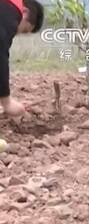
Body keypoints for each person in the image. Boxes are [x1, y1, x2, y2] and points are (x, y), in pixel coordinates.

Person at [0, 0, 44, 150]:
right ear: (24, 12)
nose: (16, 33)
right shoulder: (10, 11)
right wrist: (6, 102)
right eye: (24, 30)